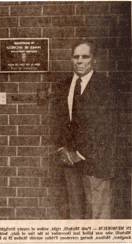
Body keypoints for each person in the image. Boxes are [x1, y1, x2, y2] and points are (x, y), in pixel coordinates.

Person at [55, 39, 116, 219]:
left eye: (85, 57)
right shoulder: (64, 86)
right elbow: (58, 120)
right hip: (70, 163)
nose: (80, 61)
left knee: (97, 219)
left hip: (97, 163)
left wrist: (81, 154)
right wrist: (61, 148)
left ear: (94, 60)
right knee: (76, 216)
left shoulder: (106, 86)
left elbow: (106, 127)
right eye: (76, 57)